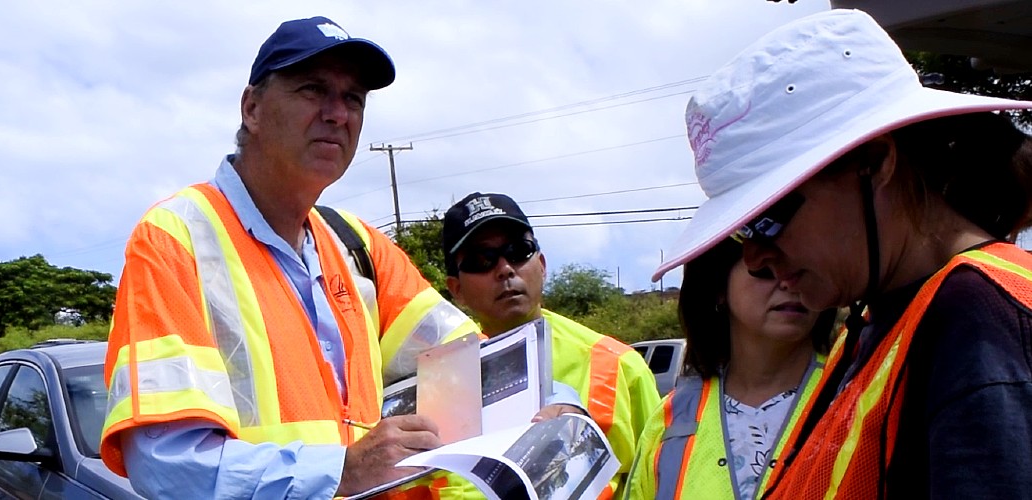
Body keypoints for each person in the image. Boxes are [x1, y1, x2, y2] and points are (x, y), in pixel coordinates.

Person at [98, 17, 575, 499]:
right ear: (252, 108)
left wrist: (557, 402)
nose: (337, 114)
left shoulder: (356, 247)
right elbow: (166, 465)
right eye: (313, 90)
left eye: (353, 99)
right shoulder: (176, 237)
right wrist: (342, 471)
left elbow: (477, 364)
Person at [650, 9, 1032, 499]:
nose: (755, 256)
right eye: (745, 229)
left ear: (874, 162)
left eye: (768, 215)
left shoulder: (979, 327)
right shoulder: (890, 316)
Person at [442, 192, 663, 499]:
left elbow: (662, 480)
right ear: (457, 290)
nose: (505, 269)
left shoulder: (619, 366)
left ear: (542, 265)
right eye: (482, 260)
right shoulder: (441, 387)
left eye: (519, 251)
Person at [625, 240, 836, 499]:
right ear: (718, 286)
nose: (790, 282)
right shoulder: (671, 418)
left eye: (806, 267)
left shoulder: (855, 397)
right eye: (766, 269)